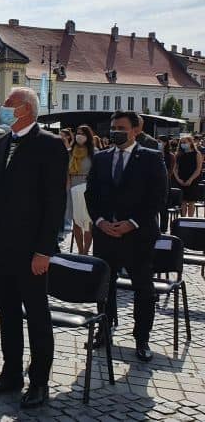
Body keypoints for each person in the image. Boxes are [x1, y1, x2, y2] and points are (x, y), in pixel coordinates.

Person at [0, 87, 68, 409]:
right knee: (8, 314)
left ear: (26, 108)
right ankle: (11, 372)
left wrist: (45, 250)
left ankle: (39, 380)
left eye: (9, 104)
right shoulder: (0, 145)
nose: (3, 107)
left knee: (37, 315)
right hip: (0, 247)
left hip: (32, 250)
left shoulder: (51, 145)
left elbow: (55, 202)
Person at [85, 111, 167, 362]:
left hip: (137, 236)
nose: (115, 132)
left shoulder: (151, 158)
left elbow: (158, 197)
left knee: (143, 289)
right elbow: (91, 194)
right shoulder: (101, 158)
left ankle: (142, 338)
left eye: (121, 127)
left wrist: (131, 223)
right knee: (104, 288)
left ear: (135, 130)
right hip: (106, 235)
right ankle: (104, 329)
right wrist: (100, 221)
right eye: (113, 127)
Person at [69, 125, 97, 255]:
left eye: (82, 133)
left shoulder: (94, 152)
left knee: (88, 221)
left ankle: (86, 251)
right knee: (76, 221)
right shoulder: (70, 152)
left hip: (88, 188)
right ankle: (80, 251)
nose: (79, 135)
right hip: (72, 188)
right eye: (77, 133)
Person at [172, 134, 202, 217]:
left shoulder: (197, 154)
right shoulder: (178, 154)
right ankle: (183, 219)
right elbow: (175, 169)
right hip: (181, 179)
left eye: (185, 142)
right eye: (181, 143)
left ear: (190, 142)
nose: (183, 144)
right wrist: (178, 179)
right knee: (183, 202)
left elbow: (198, 169)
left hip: (193, 180)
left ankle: (190, 221)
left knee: (191, 202)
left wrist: (190, 179)